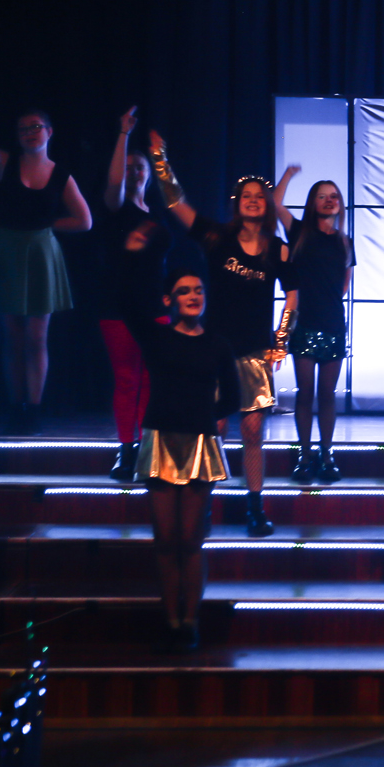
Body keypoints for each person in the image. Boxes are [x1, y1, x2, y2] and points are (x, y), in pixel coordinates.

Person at [149, 134, 299, 537]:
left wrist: (281, 340)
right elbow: (176, 205)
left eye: (259, 196)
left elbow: (293, 296)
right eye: (246, 195)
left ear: (267, 204)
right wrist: (160, 159)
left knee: (253, 432)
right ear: (237, 202)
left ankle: (255, 506)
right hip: (214, 349)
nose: (253, 200)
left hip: (255, 351)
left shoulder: (278, 249)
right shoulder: (217, 238)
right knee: (213, 428)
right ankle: (204, 502)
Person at [0, 84, 92, 433]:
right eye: (23, 128)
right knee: (12, 336)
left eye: (35, 127)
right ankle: (16, 406)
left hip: (40, 253)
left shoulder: (60, 174)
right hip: (8, 252)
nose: (29, 132)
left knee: (37, 337)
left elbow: (84, 221)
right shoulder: (5, 162)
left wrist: (46, 226)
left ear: (49, 132)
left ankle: (34, 410)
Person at [131, 269, 241, 653]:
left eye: (198, 290)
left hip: (199, 443)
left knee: (191, 540)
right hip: (161, 440)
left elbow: (233, 396)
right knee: (166, 540)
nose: (193, 296)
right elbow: (129, 304)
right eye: (184, 291)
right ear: (169, 300)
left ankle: (189, 622)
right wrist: (139, 254)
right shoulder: (157, 337)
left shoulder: (218, 344)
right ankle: (171, 619)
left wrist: (208, 417)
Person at [99, 107, 174, 482]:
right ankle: (125, 451)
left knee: (152, 380)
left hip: (154, 306)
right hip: (119, 306)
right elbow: (114, 183)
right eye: (128, 167)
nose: (133, 171)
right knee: (127, 379)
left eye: (139, 167)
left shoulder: (157, 212)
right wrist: (124, 134)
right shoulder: (117, 208)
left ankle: (147, 448)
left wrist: (159, 158)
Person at [275, 177, 354, 485]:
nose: (329, 200)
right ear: (312, 202)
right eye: (322, 196)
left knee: (327, 395)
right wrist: (289, 175)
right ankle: (305, 456)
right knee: (305, 393)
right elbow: (275, 204)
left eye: (334, 196)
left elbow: (345, 283)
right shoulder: (299, 232)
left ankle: (327, 454)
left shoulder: (345, 241)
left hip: (333, 323)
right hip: (305, 323)